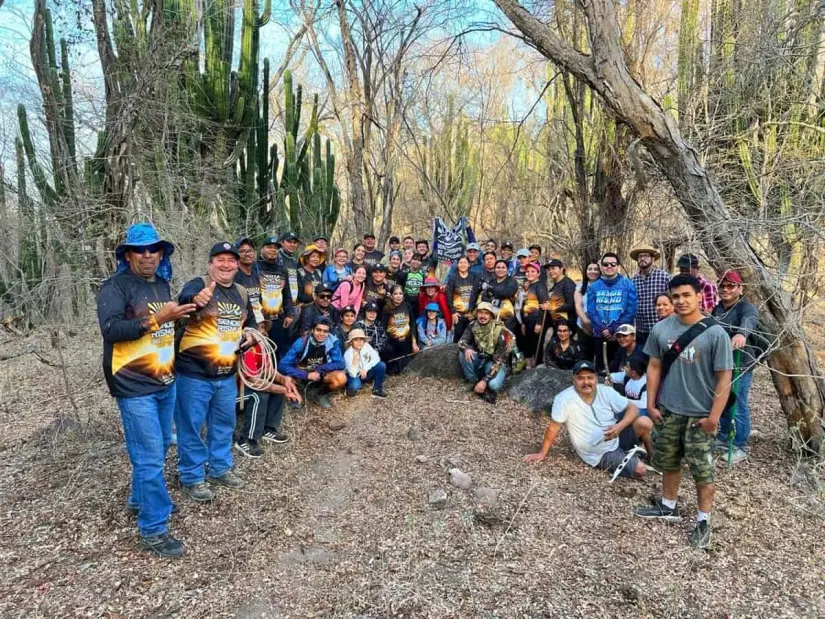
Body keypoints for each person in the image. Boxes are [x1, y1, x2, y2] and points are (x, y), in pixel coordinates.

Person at [97, 222, 194, 558]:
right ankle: (153, 527)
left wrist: (178, 317)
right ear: (128, 255)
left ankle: (141, 500)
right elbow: (111, 330)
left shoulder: (163, 284)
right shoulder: (116, 287)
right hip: (134, 385)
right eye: (140, 250)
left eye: (154, 249)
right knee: (150, 456)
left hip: (165, 380)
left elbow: (164, 329)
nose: (148, 255)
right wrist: (157, 319)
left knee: (160, 446)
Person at [634, 274, 734, 550]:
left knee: (703, 471)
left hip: (699, 414)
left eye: (686, 295)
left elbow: (724, 378)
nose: (680, 301)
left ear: (699, 296)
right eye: (675, 296)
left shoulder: (715, 334)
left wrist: (714, 417)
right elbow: (653, 367)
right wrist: (652, 404)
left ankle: (703, 521)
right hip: (669, 409)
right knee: (668, 460)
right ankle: (668, 505)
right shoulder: (662, 329)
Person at [176, 242, 257, 503]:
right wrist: (194, 300)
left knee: (224, 425)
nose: (226, 264)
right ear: (210, 263)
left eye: (231, 260)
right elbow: (184, 300)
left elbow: (253, 325)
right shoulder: (197, 284)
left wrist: (251, 336)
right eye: (220, 259)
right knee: (191, 427)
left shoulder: (242, 293)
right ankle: (192, 477)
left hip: (226, 375)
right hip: (193, 374)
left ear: (237, 265)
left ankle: (220, 469)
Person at [524, 361, 653, 481]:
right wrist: (542, 453)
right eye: (580, 378)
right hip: (598, 452)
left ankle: (651, 458)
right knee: (640, 471)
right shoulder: (564, 399)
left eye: (590, 377)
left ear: (596, 378)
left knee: (645, 422)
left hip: (616, 435)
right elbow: (553, 427)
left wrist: (619, 427)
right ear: (573, 380)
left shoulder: (605, 390)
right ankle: (634, 458)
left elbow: (633, 409)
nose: (586, 382)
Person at [711, 270, 760, 464]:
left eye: (730, 285)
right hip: (721, 363)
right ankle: (723, 437)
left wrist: (741, 334)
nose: (725, 289)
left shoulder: (745, 308)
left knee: (738, 403)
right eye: (722, 286)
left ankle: (740, 444)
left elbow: (750, 322)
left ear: (740, 289)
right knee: (723, 400)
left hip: (741, 363)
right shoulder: (718, 309)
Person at [235, 344, 301, 458]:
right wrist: (284, 390)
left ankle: (268, 429)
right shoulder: (244, 348)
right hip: (231, 396)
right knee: (258, 396)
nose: (262, 331)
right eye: (259, 327)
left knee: (277, 388)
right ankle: (247, 439)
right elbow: (254, 380)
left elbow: (268, 369)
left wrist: (283, 381)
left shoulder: (260, 346)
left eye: (264, 327)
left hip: (245, 389)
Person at [279, 317, 347, 409]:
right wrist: (306, 375)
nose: (321, 334)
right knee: (287, 377)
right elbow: (282, 365)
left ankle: (320, 394)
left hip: (320, 374)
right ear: (312, 330)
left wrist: (320, 369)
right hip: (300, 373)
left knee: (341, 377)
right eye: (318, 330)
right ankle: (295, 396)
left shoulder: (332, 342)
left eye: (325, 331)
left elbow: (340, 363)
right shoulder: (301, 342)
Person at [586, 252, 638, 373]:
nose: (609, 266)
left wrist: (614, 328)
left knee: (620, 370)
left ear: (618, 266)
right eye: (605, 264)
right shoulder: (593, 287)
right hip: (600, 334)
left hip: (621, 335)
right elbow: (592, 310)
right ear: (602, 267)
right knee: (600, 369)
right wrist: (603, 328)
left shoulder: (628, 284)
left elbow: (631, 309)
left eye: (612, 264)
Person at [457, 302, 514, 403]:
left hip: (494, 362)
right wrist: (467, 349)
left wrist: (484, 381)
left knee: (494, 385)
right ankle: (472, 381)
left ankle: (485, 385)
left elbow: (499, 362)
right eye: (480, 313)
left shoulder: (500, 331)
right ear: (476, 314)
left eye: (486, 313)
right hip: (479, 357)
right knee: (463, 354)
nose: (483, 316)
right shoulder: (473, 325)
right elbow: (461, 342)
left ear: (491, 316)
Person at [258, 235, 294, 358]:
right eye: (269, 247)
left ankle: (277, 375)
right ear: (262, 249)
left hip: (278, 318)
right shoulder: (254, 268)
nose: (272, 250)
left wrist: (289, 314)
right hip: (260, 319)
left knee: (278, 350)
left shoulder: (282, 270)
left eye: (275, 248)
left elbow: (287, 293)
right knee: (261, 352)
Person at [630, 245, 670, 347]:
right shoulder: (632, 281)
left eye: (646, 256)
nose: (642, 258)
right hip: (640, 329)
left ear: (652, 259)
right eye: (640, 256)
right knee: (642, 360)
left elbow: (672, 300)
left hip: (661, 328)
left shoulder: (664, 277)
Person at [516, 261, 548, 367]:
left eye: (533, 271)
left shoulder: (540, 286)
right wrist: (522, 323)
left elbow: (544, 306)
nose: (529, 273)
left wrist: (539, 323)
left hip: (535, 319)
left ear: (538, 273)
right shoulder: (527, 287)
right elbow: (523, 305)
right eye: (528, 271)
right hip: (527, 320)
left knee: (536, 344)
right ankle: (528, 367)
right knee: (527, 344)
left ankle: (538, 365)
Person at [381, 284, 419, 374]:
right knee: (393, 370)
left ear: (403, 295)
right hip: (392, 342)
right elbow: (383, 328)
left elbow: (413, 324)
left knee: (406, 368)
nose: (398, 296)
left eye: (400, 293)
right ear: (391, 295)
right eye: (395, 294)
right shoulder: (386, 309)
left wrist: (414, 343)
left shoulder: (407, 306)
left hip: (406, 341)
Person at [344, 329, 388, 398]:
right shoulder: (348, 354)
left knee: (381, 365)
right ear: (351, 342)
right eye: (355, 340)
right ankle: (348, 388)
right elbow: (352, 373)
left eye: (361, 339)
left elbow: (376, 358)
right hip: (355, 374)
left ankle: (376, 389)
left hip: (365, 371)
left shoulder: (366, 346)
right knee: (355, 386)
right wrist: (355, 363)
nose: (359, 342)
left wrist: (365, 368)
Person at [445, 257, 478, 341]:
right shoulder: (453, 277)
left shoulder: (473, 276)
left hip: (470, 313)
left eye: (465, 262)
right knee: (458, 334)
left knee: (470, 336)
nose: (463, 264)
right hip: (458, 313)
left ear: (469, 265)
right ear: (457, 265)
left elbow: (475, 294)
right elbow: (448, 295)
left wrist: (473, 311)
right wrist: (453, 312)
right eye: (460, 262)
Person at [481, 259, 518, 331]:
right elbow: (484, 297)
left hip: (508, 318)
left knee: (505, 339)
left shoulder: (511, 281)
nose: (500, 270)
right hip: (492, 317)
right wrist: (493, 301)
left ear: (507, 269)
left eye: (503, 267)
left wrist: (491, 288)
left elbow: (508, 292)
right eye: (498, 267)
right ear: (494, 269)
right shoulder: (492, 281)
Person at [574, 261, 601, 363]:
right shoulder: (580, 287)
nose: (593, 271)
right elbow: (578, 305)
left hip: (600, 326)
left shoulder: (605, 286)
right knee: (585, 355)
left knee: (599, 353)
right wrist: (585, 321)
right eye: (590, 269)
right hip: (583, 325)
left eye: (596, 269)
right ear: (585, 271)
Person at [234, 237, 264, 326]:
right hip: (243, 325)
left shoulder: (256, 274)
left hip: (258, 321)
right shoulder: (233, 275)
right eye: (242, 251)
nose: (247, 254)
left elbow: (258, 301)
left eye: (250, 251)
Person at [543, 259, 577, 324]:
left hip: (566, 325)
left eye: (553, 268)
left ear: (561, 269)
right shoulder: (555, 283)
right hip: (556, 322)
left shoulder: (567, 283)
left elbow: (571, 305)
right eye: (549, 269)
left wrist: (551, 307)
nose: (551, 271)